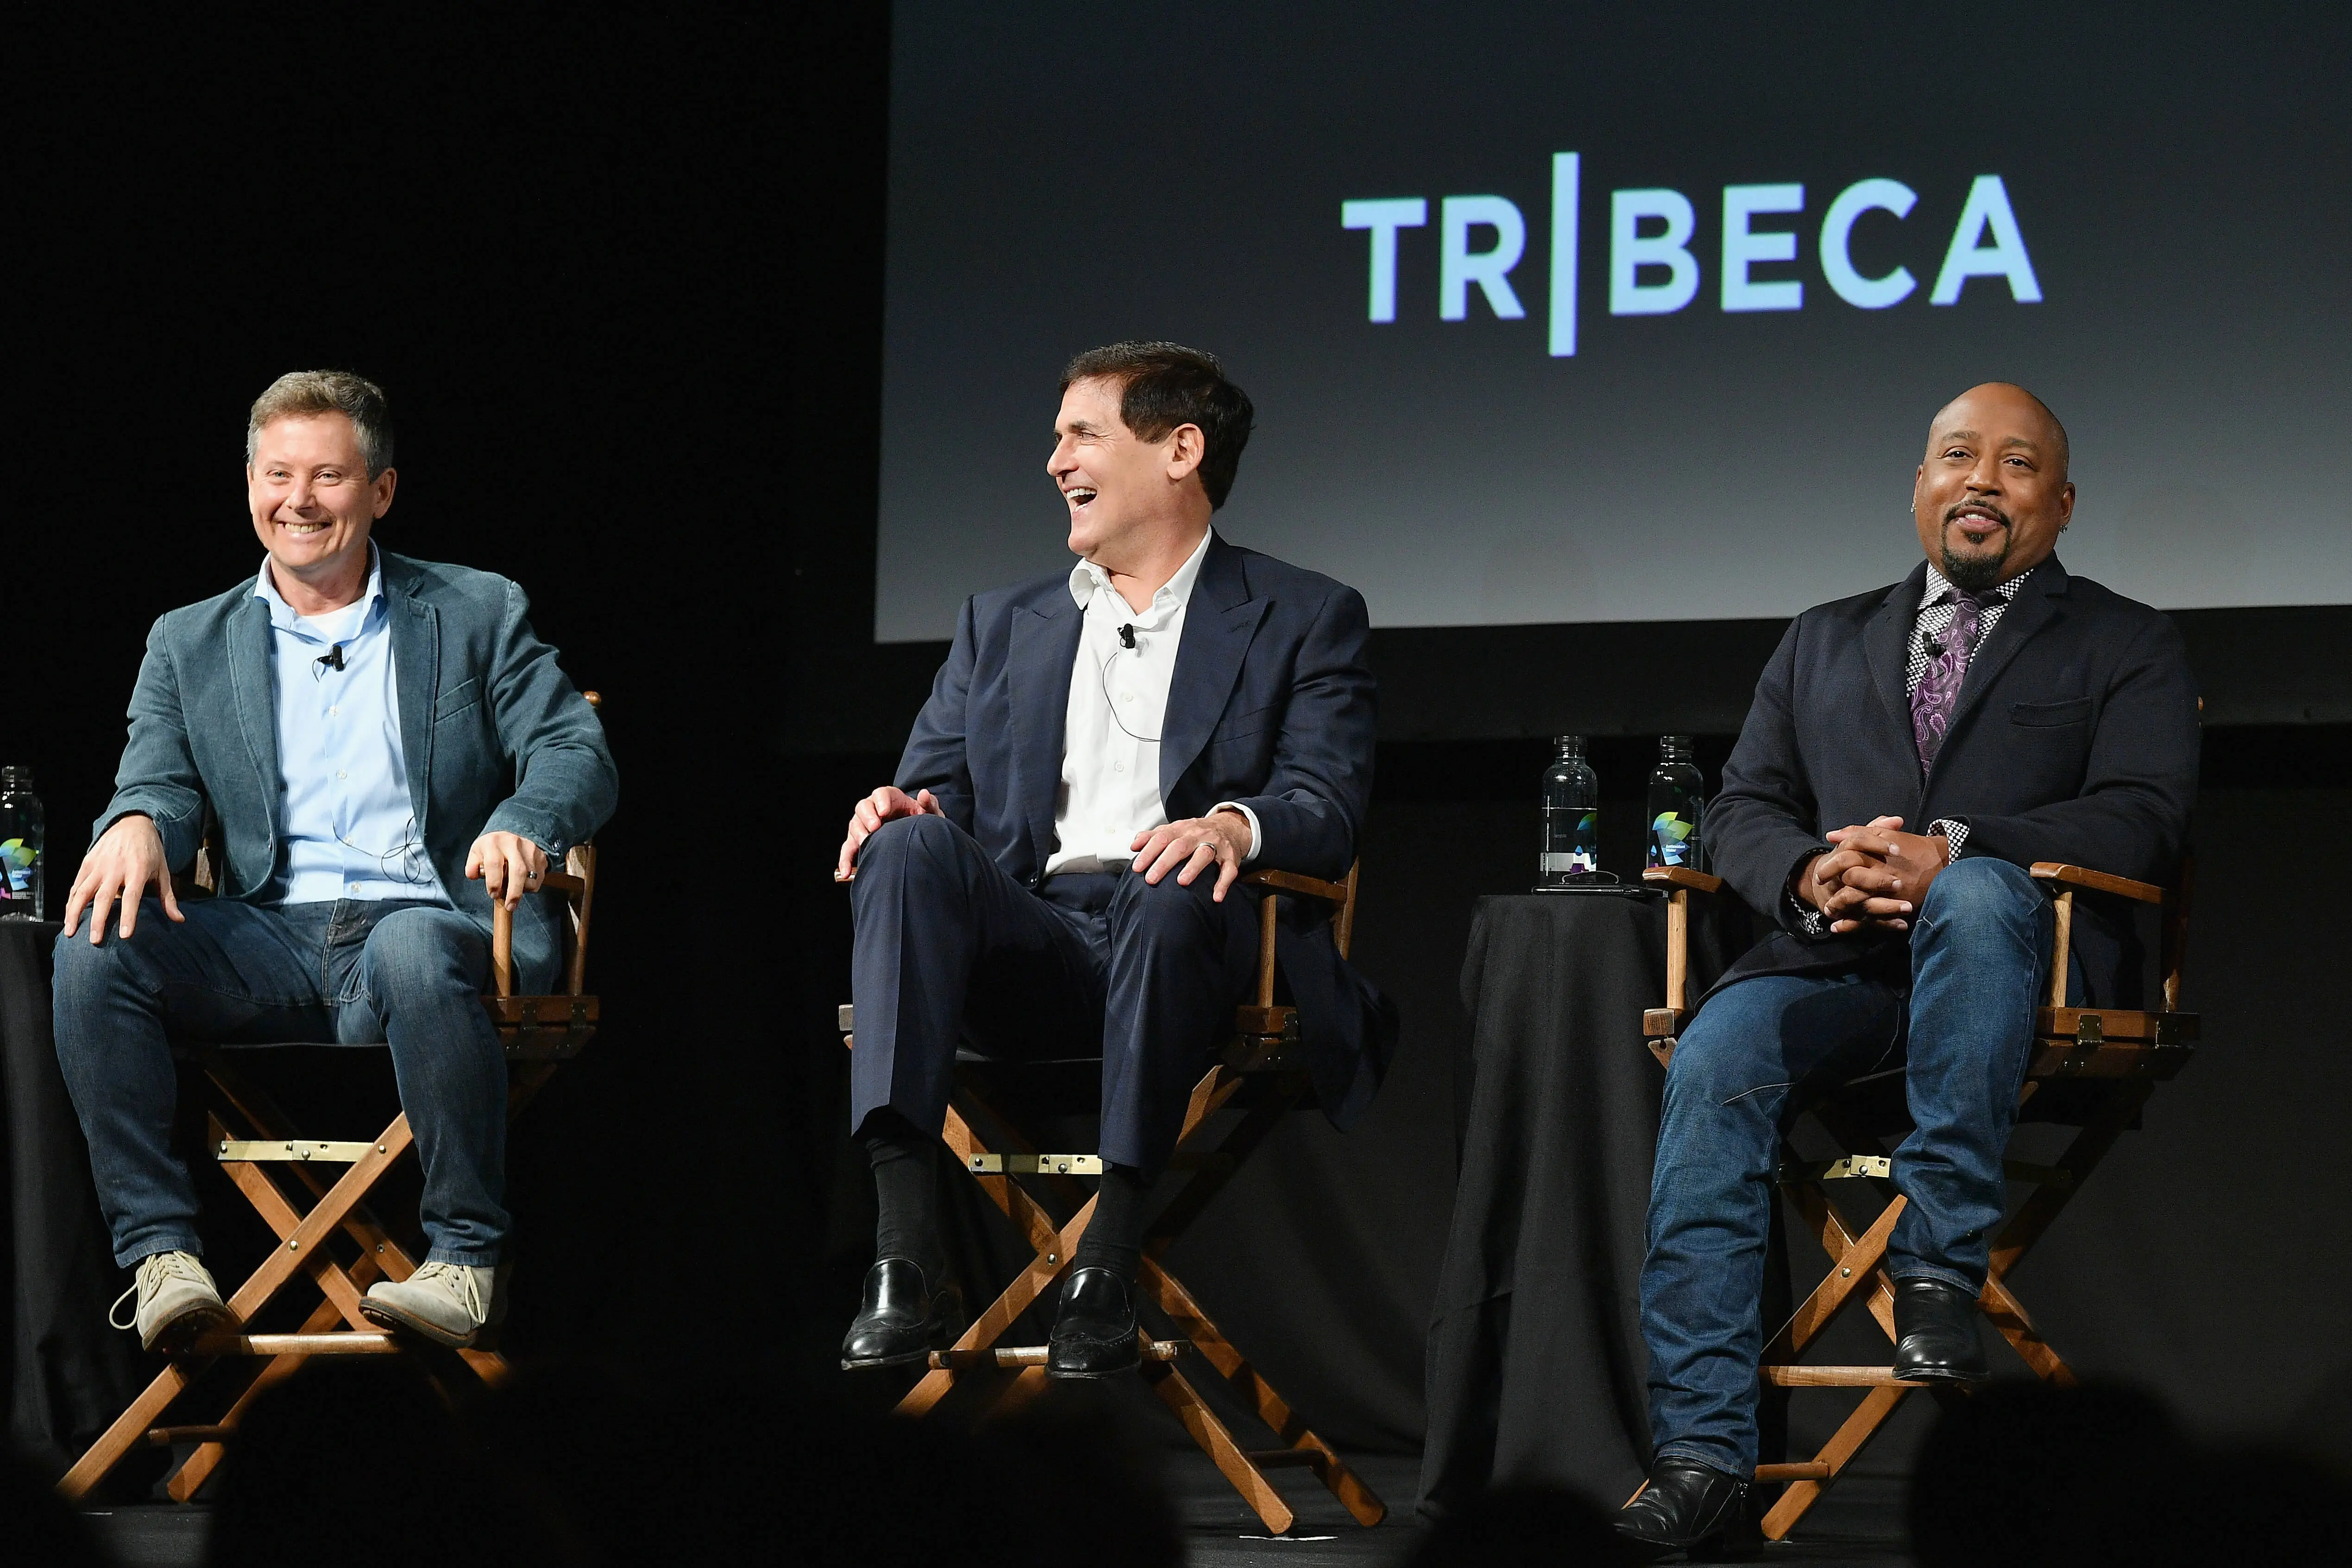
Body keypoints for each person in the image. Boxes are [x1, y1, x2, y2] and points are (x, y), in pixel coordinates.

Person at [1616, 384, 2200, 1557]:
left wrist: (1958, 853)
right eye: (1955, 456)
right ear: (1919, 485)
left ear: (2062, 502)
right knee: (1719, 1054)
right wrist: (1808, 875)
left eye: (2016, 463)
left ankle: (1937, 1268)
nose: (1980, 479)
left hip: (2019, 974)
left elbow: (2142, 818)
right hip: (1839, 969)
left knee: (1981, 893)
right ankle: (1700, 1457)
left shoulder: (2123, 638)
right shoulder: (1822, 635)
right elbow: (1743, 805)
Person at [834, 341, 1389, 1379]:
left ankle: (1107, 1261)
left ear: (1181, 450)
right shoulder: (1001, 623)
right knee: (906, 852)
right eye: (1057, 438)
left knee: (1170, 878)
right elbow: (939, 793)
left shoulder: (1306, 615)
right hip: (1033, 937)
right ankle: (903, 1261)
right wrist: (905, 809)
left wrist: (1230, 824)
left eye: (1081, 434)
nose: (1055, 462)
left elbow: (1325, 805)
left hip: (1195, 939)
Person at [53, 370, 616, 1353]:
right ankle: (161, 1262)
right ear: (249, 486)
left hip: (441, 924)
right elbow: (160, 779)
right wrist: (137, 819)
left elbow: (575, 750)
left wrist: (526, 819)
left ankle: (465, 1260)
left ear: (381, 492)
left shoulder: (475, 611)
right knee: (97, 949)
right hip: (268, 936)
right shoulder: (189, 640)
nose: (298, 501)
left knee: (406, 944)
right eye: (277, 475)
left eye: (327, 477)